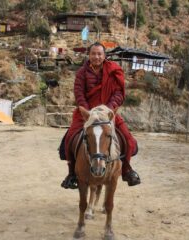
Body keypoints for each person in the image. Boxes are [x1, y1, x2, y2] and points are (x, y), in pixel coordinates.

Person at [60, 42, 141, 189]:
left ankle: (127, 169)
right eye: (93, 54)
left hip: (108, 112)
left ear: (104, 56)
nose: (96, 57)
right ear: (89, 55)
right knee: (69, 138)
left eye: (99, 54)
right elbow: (79, 95)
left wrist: (108, 109)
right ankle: (72, 174)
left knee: (127, 138)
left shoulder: (113, 71)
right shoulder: (81, 73)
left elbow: (118, 93)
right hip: (86, 113)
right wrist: (88, 112)